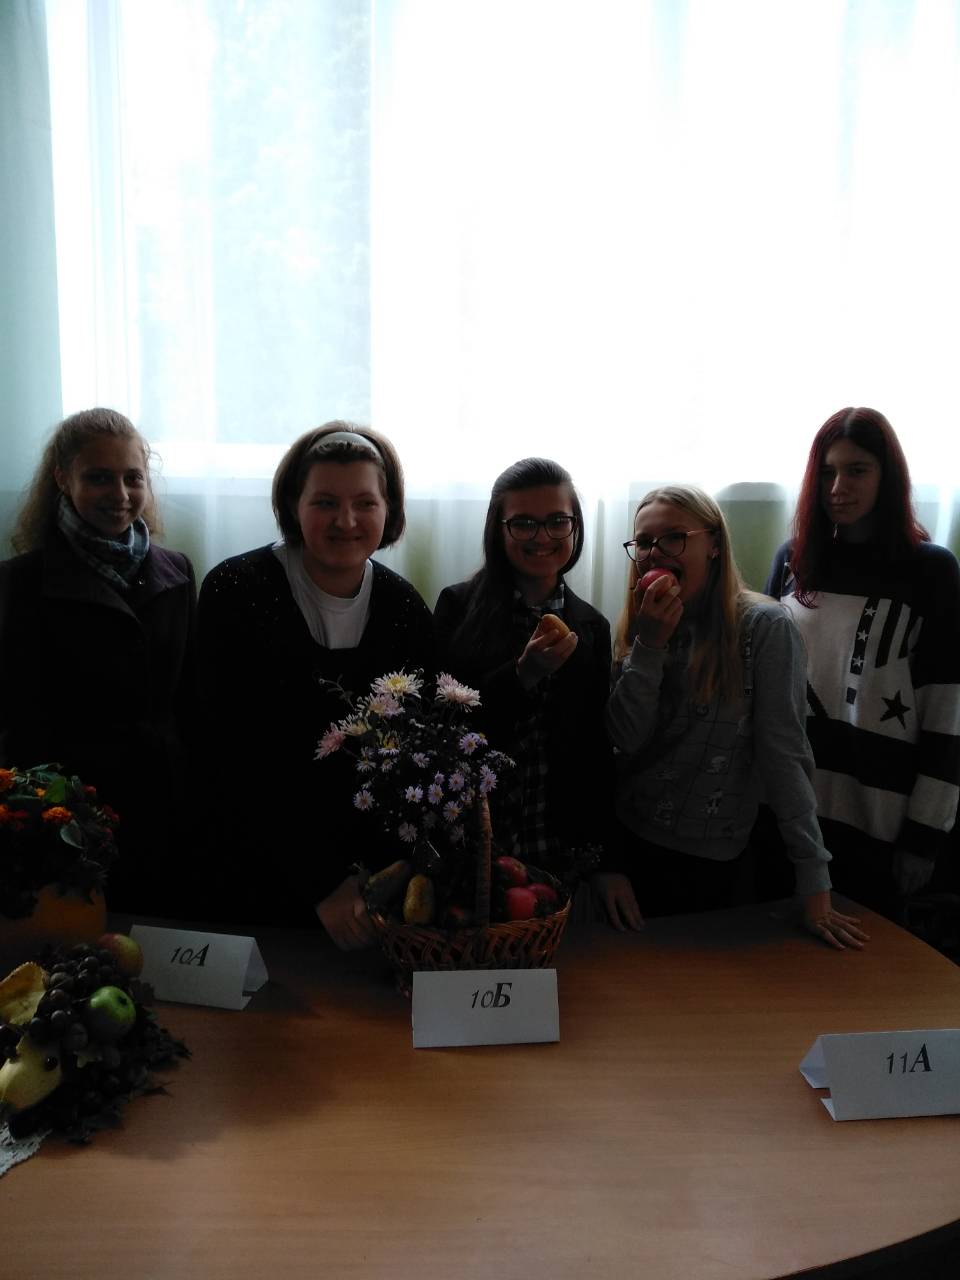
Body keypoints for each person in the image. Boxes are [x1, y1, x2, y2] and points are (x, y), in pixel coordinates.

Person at [595, 484, 868, 950]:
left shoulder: (764, 627)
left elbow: (785, 755)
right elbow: (625, 739)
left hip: (716, 858)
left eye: (674, 537)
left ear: (714, 544)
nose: (655, 552)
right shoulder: (640, 623)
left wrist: (815, 883)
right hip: (632, 847)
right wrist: (650, 645)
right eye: (644, 542)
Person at [197, 422, 434, 945]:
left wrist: (379, 880)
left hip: (369, 892)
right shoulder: (234, 591)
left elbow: (412, 760)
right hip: (255, 873)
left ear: (389, 509)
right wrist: (319, 882)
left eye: (365, 503)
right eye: (325, 502)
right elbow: (220, 755)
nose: (346, 521)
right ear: (293, 504)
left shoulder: (406, 608)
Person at [765, 407, 960, 920]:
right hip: (790, 813)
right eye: (827, 472)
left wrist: (925, 835)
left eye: (856, 471)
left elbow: (947, 711)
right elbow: (761, 685)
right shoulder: (792, 560)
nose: (838, 488)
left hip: (878, 818)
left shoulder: (930, 571)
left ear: (886, 476)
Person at [0, 407, 197, 914]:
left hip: (165, 806)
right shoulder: (20, 582)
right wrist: (47, 818)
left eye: (133, 477)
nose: (121, 493)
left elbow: (189, 699)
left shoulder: (177, 571)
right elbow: (21, 717)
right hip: (71, 816)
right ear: (62, 479)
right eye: (99, 478)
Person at [433, 457, 614, 886]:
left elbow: (595, 749)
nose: (542, 537)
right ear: (499, 530)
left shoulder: (591, 627)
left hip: (557, 845)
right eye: (523, 524)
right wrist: (521, 677)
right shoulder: (458, 607)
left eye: (557, 521)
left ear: (575, 526)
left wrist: (608, 861)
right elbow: (442, 728)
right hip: (473, 840)